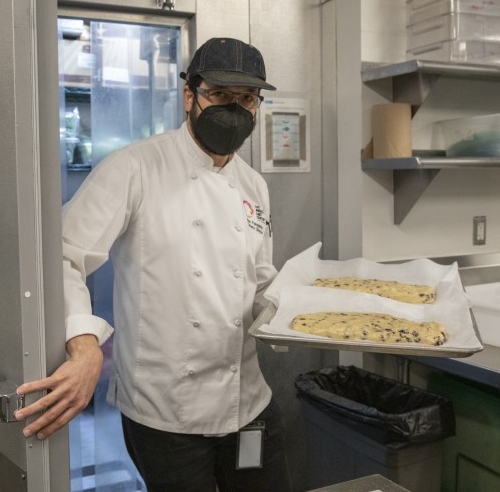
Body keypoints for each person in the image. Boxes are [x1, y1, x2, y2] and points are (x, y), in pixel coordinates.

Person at [15, 37, 293, 492]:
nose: (234, 109)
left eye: (246, 99)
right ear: (190, 96)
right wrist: (84, 347)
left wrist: (298, 316)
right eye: (219, 95)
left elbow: (260, 280)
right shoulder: (135, 168)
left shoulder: (254, 186)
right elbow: (61, 255)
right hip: (166, 414)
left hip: (248, 401)